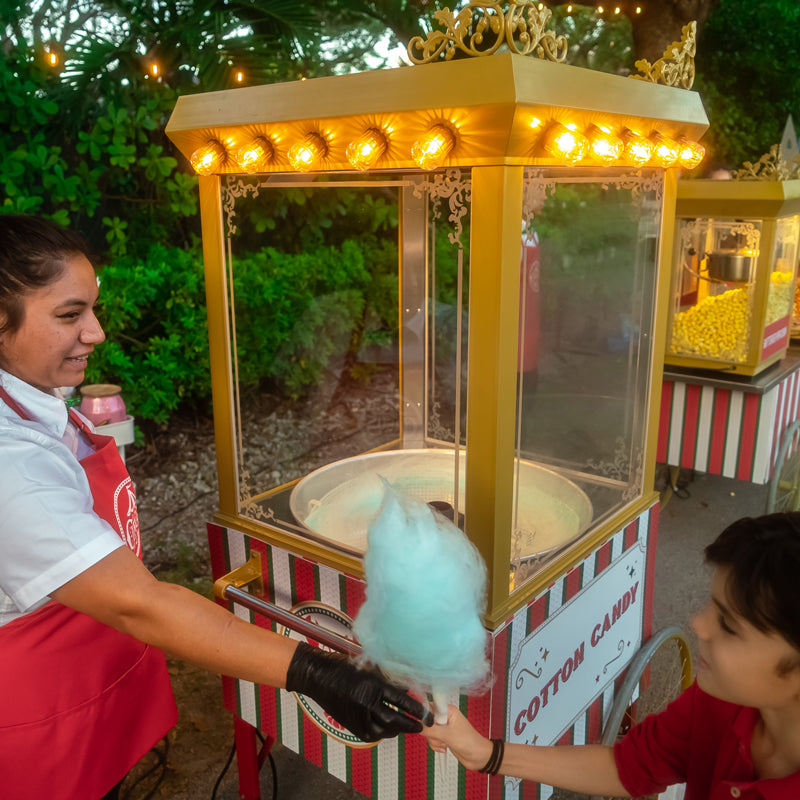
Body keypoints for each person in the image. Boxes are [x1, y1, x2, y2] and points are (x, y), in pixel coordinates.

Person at [0, 215, 431, 800]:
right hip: (40, 722)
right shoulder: (11, 463)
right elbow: (139, 603)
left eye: (93, 309)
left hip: (93, 680)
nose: (96, 332)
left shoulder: (35, 394)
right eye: (70, 315)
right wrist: (317, 672)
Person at [423, 512, 800, 798]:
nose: (699, 624)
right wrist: (484, 754)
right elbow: (630, 766)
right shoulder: (718, 700)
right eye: (711, 605)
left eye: (729, 626)